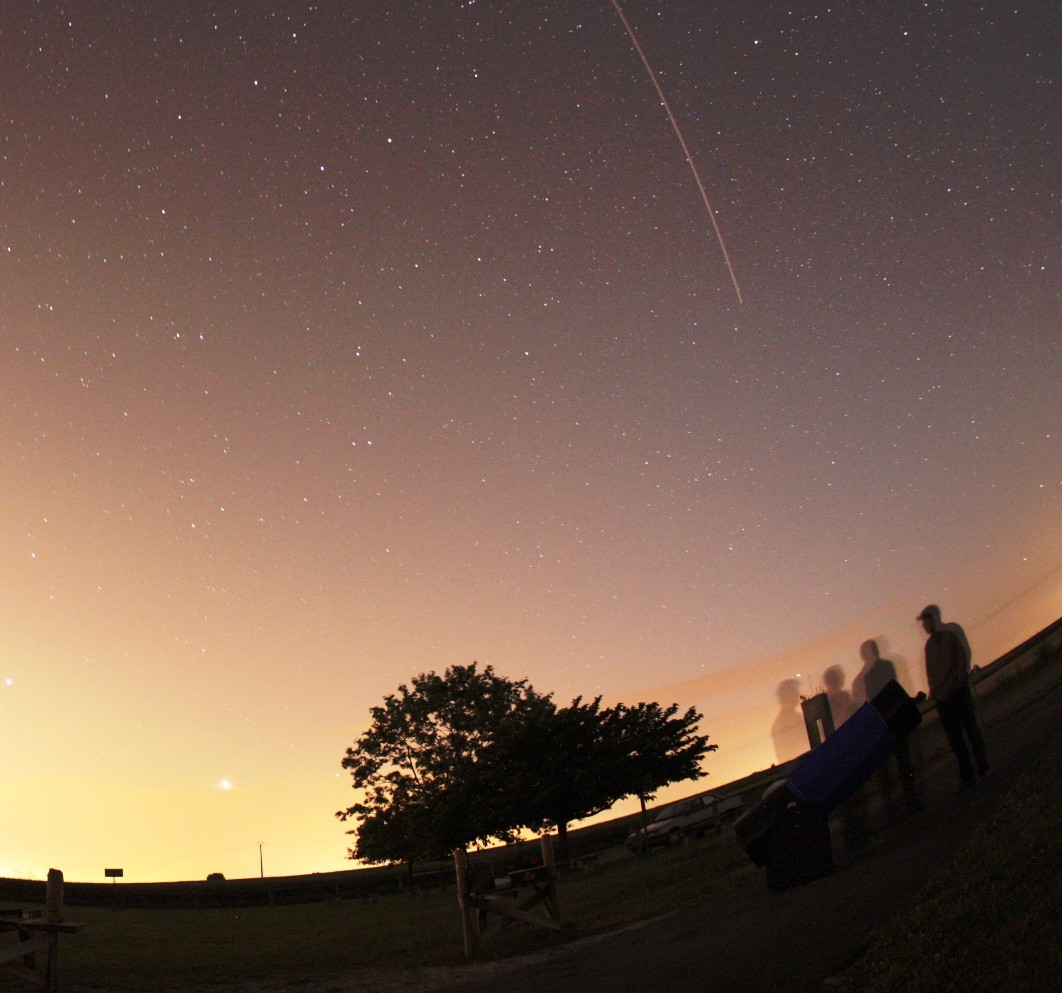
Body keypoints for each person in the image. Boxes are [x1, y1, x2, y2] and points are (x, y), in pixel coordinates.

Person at [918, 604, 988, 790]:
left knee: (971, 730)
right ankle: (967, 775)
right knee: (956, 740)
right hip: (943, 699)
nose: (923, 626)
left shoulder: (951, 634)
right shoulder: (929, 646)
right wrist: (935, 691)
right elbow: (931, 672)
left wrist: (958, 681)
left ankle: (983, 767)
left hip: (957, 693)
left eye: (925, 621)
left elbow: (962, 658)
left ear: (933, 619)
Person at [854, 639, 923, 812]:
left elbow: (873, 699)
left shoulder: (867, 676)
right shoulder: (884, 668)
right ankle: (910, 800)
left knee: (890, 769)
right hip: (896, 721)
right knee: (903, 764)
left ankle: (893, 806)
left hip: (884, 725)